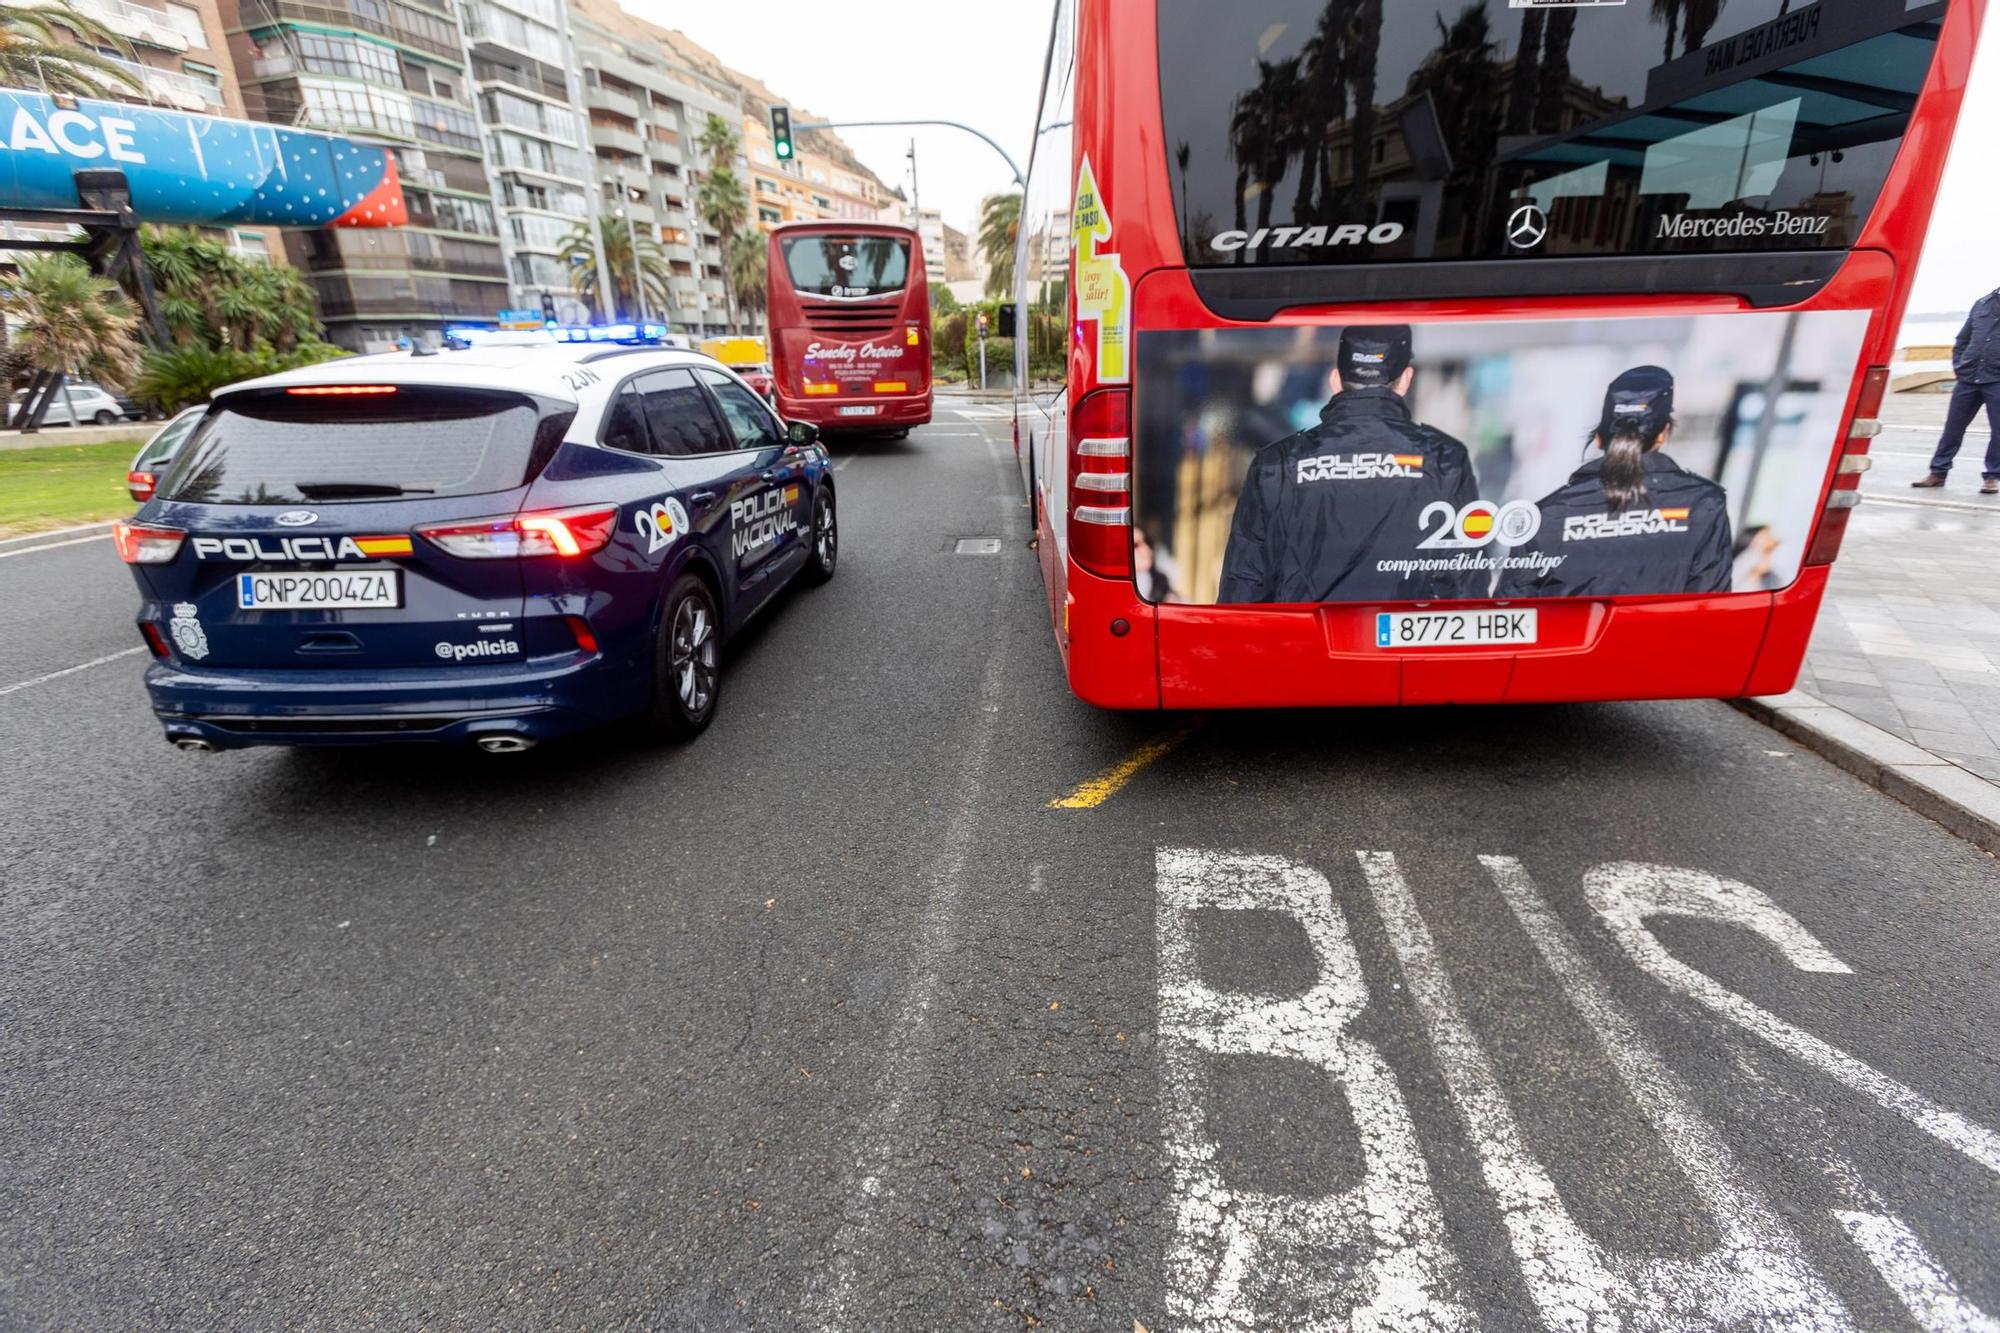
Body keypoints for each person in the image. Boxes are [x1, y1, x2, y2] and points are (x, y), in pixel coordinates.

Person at [1217, 325, 1480, 603]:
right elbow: (1466, 588)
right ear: (1405, 381)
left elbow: (1242, 589)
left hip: (1303, 645)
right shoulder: (1446, 460)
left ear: (1335, 380)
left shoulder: (1276, 465)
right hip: (1403, 645)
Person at [1497, 366, 1733, 598]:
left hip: (1569, 639)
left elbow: (1513, 617)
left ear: (1599, 439)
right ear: (1663, 433)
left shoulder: (1544, 517)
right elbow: (1710, 609)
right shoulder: (1702, 505)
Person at [1914, 286, 2000, 493]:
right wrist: (1959, 366)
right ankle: (1938, 473)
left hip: (1996, 379)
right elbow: (1963, 339)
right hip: (1968, 377)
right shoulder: (1982, 304)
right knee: (1952, 428)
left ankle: (1991, 477)